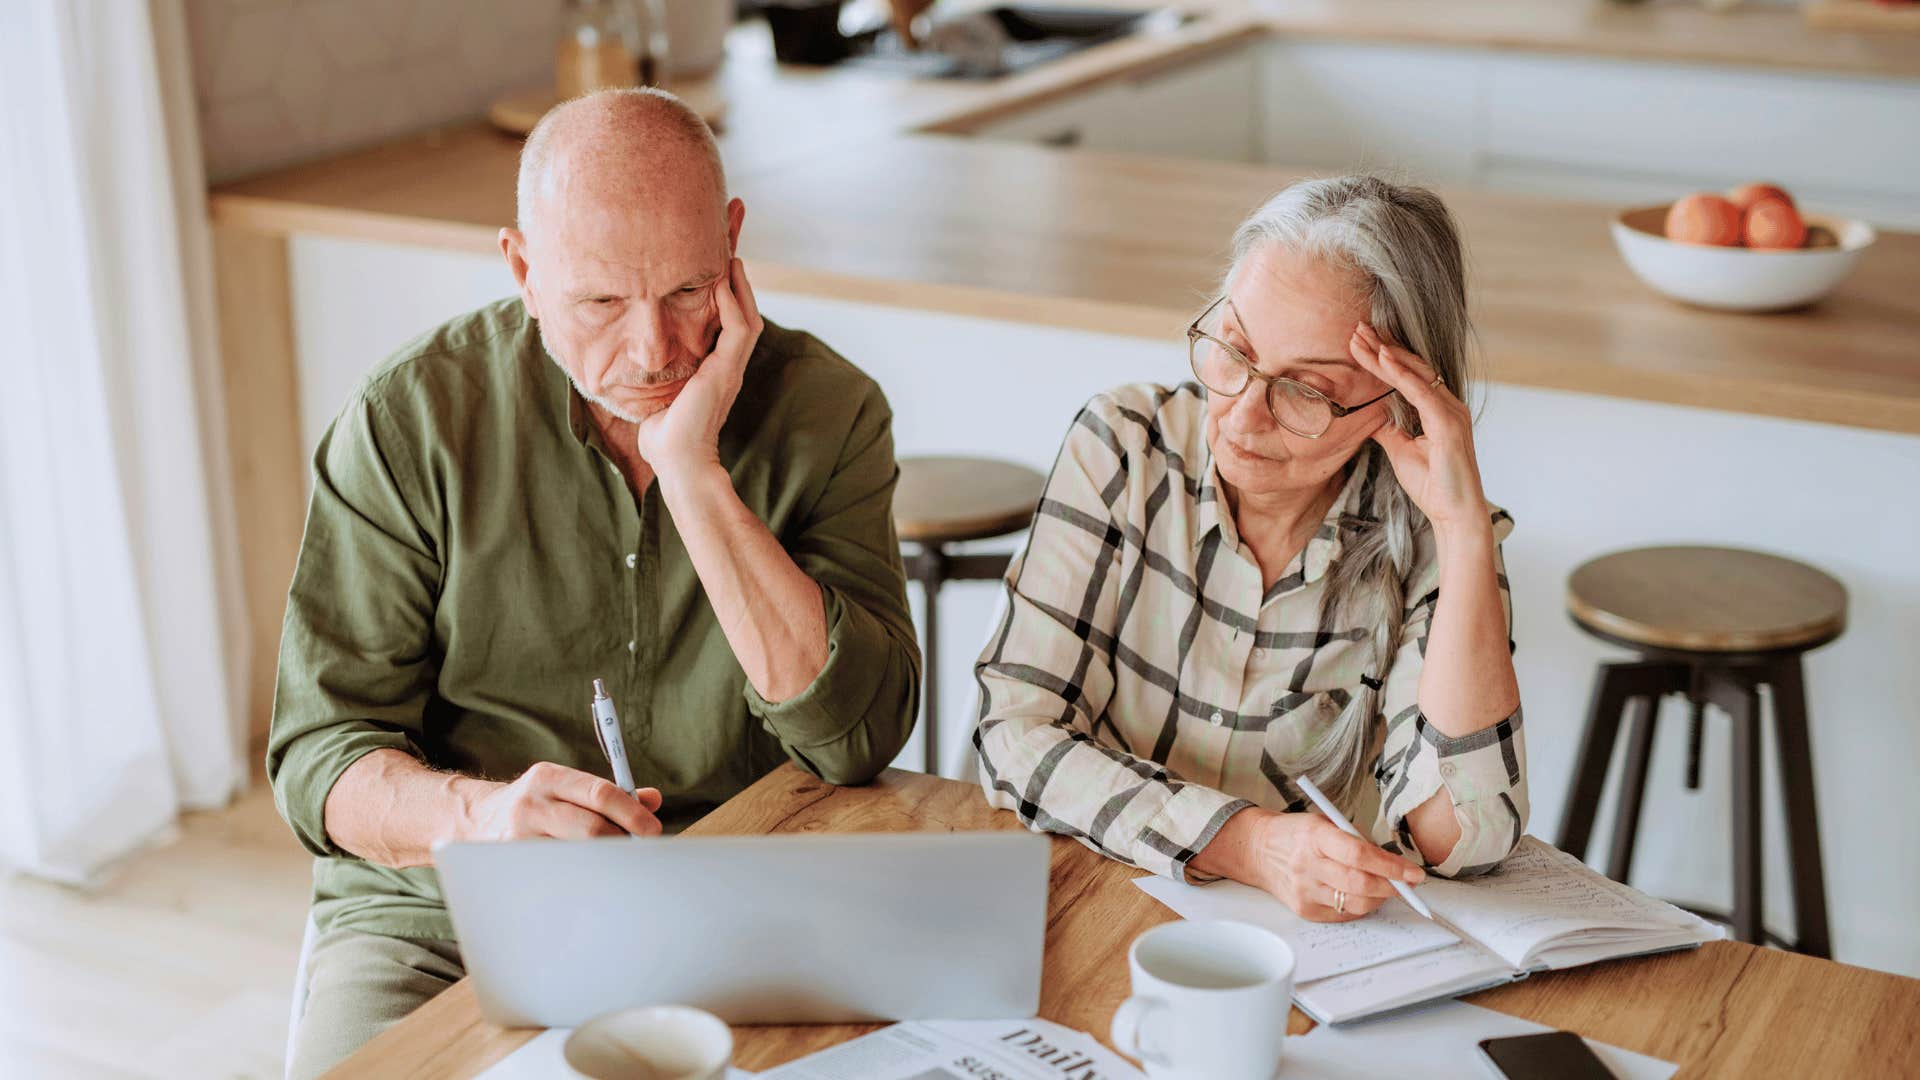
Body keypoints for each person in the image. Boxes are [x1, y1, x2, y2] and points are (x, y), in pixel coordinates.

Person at [268, 87, 919, 1077]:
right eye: (601, 303)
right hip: (445, 923)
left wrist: (695, 473)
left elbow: (856, 738)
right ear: (524, 270)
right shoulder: (412, 421)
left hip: (732, 900)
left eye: (690, 293)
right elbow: (320, 759)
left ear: (733, 241)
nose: (653, 352)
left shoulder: (831, 414)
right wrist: (480, 821)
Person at [973, 175, 1526, 923]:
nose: (1241, 414)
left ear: (1393, 404)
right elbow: (1013, 734)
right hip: (1087, 892)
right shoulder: (1125, 449)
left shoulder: (1437, 534)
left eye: (1306, 390)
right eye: (1233, 351)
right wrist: (1247, 844)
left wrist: (1462, 534)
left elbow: (1465, 841)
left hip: (1309, 948)